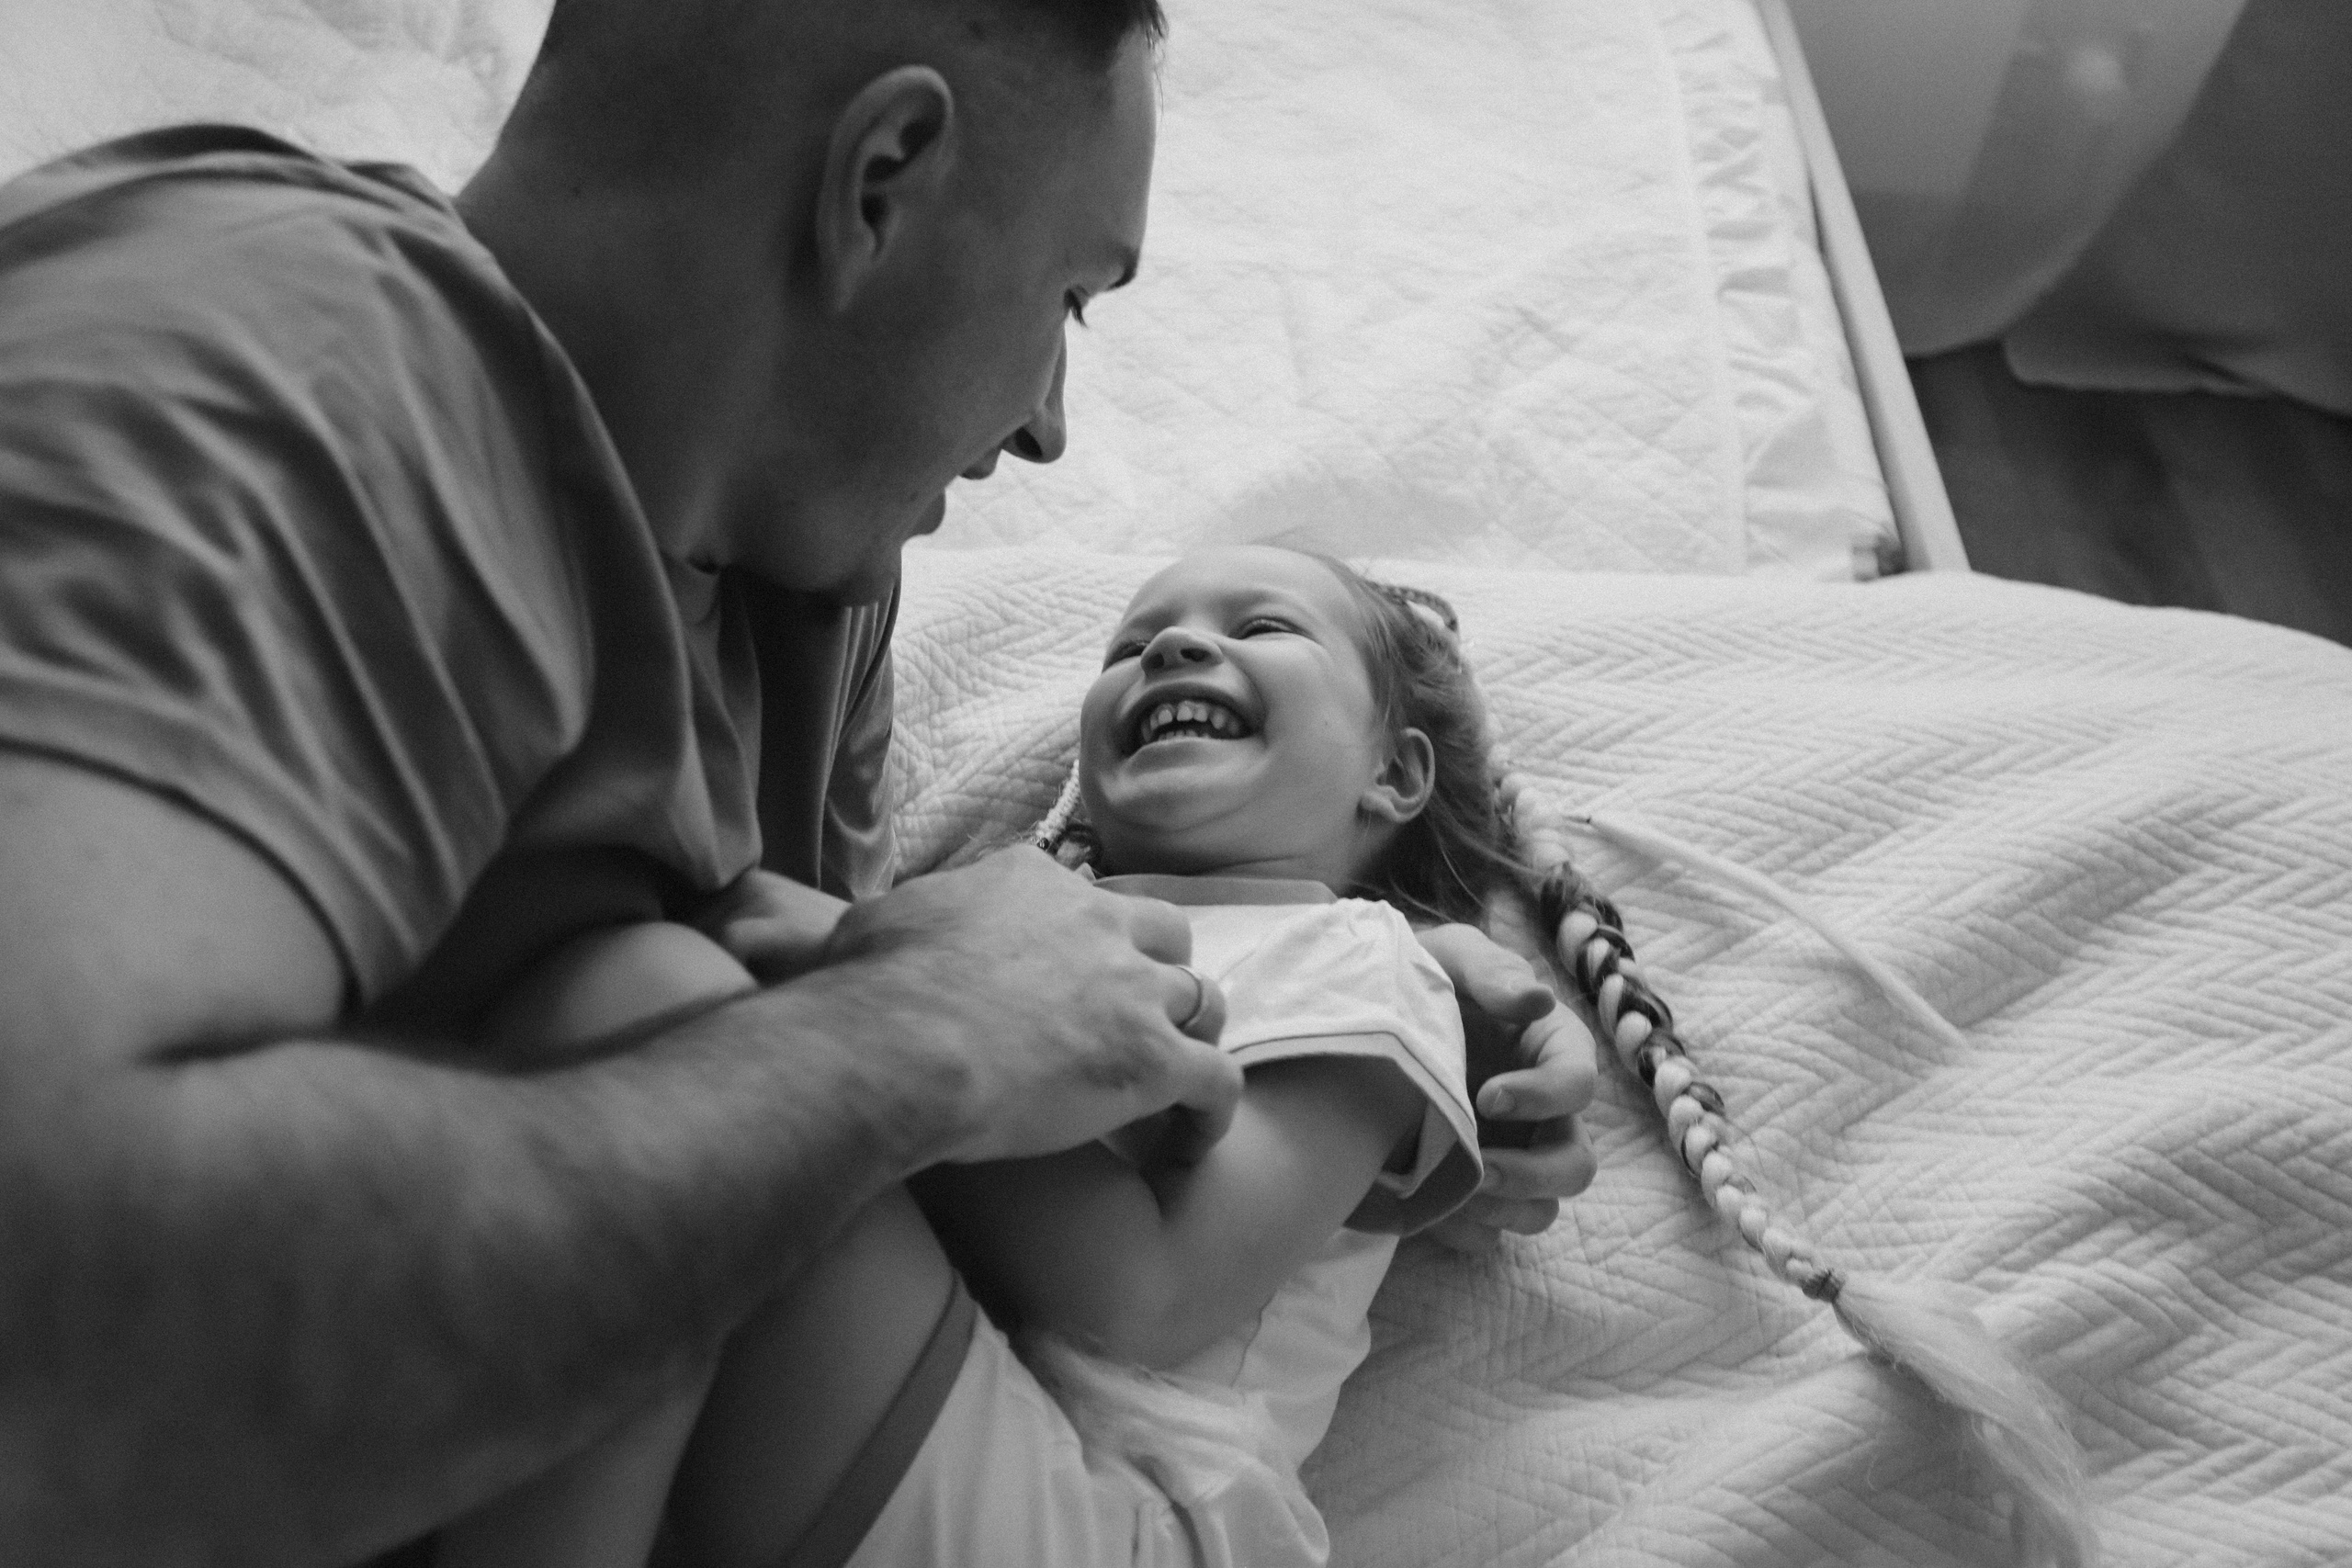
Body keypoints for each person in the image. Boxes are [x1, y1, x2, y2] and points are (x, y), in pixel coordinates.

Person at [0, 3, 1596, 1562]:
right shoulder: (252, 370)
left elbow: (847, 1138)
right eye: (1072, 294)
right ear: (880, 182)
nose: (1047, 422)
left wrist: (1366, 989)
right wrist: (903, 1036)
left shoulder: (803, 575)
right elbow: (48, 1329)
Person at [443, 543, 1570, 1567]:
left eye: (1263, 628)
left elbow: (1146, 1297)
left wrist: (876, 1000)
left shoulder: (1362, 962)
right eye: (1131, 647)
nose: (1176, 646)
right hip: (923, 1430)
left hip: (1113, 1512)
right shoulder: (1014, 911)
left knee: (654, 1003)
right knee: (622, 1005)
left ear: (1396, 775)